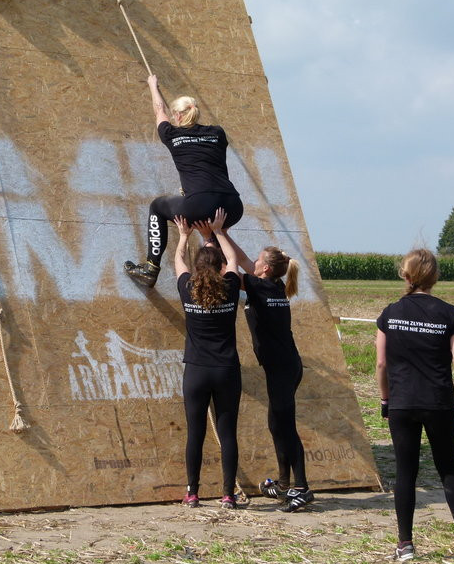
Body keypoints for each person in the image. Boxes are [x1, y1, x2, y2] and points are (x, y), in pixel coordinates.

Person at [376, 249, 454, 561]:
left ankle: (405, 545)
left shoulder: (390, 313)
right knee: (448, 468)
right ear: (435, 277)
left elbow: (381, 364)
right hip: (438, 403)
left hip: (401, 404)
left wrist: (386, 400)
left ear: (406, 276)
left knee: (405, 473)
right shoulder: (449, 314)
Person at [200, 222, 313, 512]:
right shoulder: (271, 284)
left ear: (264, 269)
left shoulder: (260, 286)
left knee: (286, 426)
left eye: (259, 260)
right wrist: (220, 233)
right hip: (285, 365)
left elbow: (232, 266)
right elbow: (246, 262)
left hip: (283, 369)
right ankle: (285, 484)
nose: (255, 261)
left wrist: (212, 237)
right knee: (276, 424)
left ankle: (302, 488)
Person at [124, 74, 243, 288]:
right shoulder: (217, 132)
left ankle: (151, 267)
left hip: (200, 204)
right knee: (216, 232)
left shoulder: (171, 134)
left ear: (177, 116)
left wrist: (153, 85)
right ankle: (222, 274)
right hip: (233, 206)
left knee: (157, 206)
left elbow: (159, 109)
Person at [174, 209, 242, 509]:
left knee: (195, 433)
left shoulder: (188, 288)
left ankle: (192, 492)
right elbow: (235, 262)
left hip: (196, 371)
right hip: (226, 370)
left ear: (197, 267)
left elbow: (178, 262)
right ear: (221, 266)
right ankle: (228, 494)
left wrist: (183, 236)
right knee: (227, 433)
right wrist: (218, 232)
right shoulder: (230, 287)